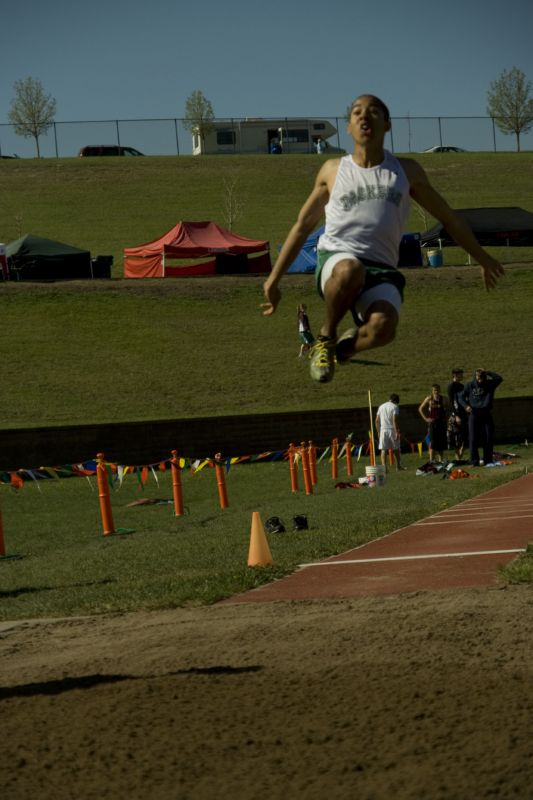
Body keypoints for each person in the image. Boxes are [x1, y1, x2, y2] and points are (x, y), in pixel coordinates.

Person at [261, 94, 504, 383]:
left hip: (382, 269)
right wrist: (273, 280)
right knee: (350, 270)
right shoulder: (333, 170)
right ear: (349, 127)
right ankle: (326, 336)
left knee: (384, 328)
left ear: (387, 124)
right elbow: (302, 226)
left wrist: (483, 258)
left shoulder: (407, 171)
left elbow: (450, 218)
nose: (364, 116)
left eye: (374, 112)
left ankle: (346, 350)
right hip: (337, 262)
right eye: (356, 113)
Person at [459, 369, 503, 465]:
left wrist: (488, 372)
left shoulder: (490, 384)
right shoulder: (469, 385)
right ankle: (474, 461)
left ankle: (488, 459)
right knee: (473, 438)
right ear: (475, 376)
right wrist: (466, 406)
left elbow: (499, 378)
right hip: (474, 414)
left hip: (486, 413)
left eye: (481, 377)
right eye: (478, 377)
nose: (479, 380)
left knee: (488, 436)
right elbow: (460, 397)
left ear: (484, 377)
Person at [375, 393, 405, 471]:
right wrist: (397, 431)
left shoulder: (381, 406)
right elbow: (394, 420)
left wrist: (378, 432)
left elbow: (376, 421)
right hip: (392, 429)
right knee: (396, 448)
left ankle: (384, 468)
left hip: (383, 430)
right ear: (396, 401)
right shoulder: (395, 407)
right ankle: (398, 466)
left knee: (383, 449)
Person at [418, 384, 448, 463]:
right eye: (435, 390)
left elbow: (449, 408)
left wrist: (447, 418)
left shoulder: (444, 398)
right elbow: (420, 409)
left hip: (441, 423)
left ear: (440, 390)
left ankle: (440, 460)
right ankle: (431, 460)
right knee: (432, 441)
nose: (436, 392)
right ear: (432, 391)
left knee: (441, 441)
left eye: (437, 390)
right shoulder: (429, 398)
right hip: (432, 423)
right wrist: (426, 419)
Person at [447, 367, 467, 460]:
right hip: (455, 414)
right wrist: (456, 415)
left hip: (463, 413)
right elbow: (451, 401)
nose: (462, 375)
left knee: (464, 435)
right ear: (455, 375)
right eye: (460, 374)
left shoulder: (462, 386)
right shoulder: (451, 386)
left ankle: (461, 452)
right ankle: (457, 456)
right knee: (455, 435)